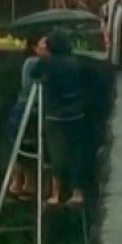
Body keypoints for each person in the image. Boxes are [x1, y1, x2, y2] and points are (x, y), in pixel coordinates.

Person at [37, 32, 96, 207]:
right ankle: (77, 192)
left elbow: (34, 74)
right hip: (76, 113)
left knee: (57, 154)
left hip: (56, 115)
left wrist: (41, 56)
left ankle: (56, 194)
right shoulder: (75, 62)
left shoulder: (48, 63)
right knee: (76, 153)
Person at [3, 34, 53, 199]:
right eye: (44, 43)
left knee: (30, 146)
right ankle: (19, 182)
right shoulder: (33, 62)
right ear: (34, 46)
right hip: (28, 107)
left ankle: (28, 183)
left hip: (33, 107)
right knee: (21, 145)